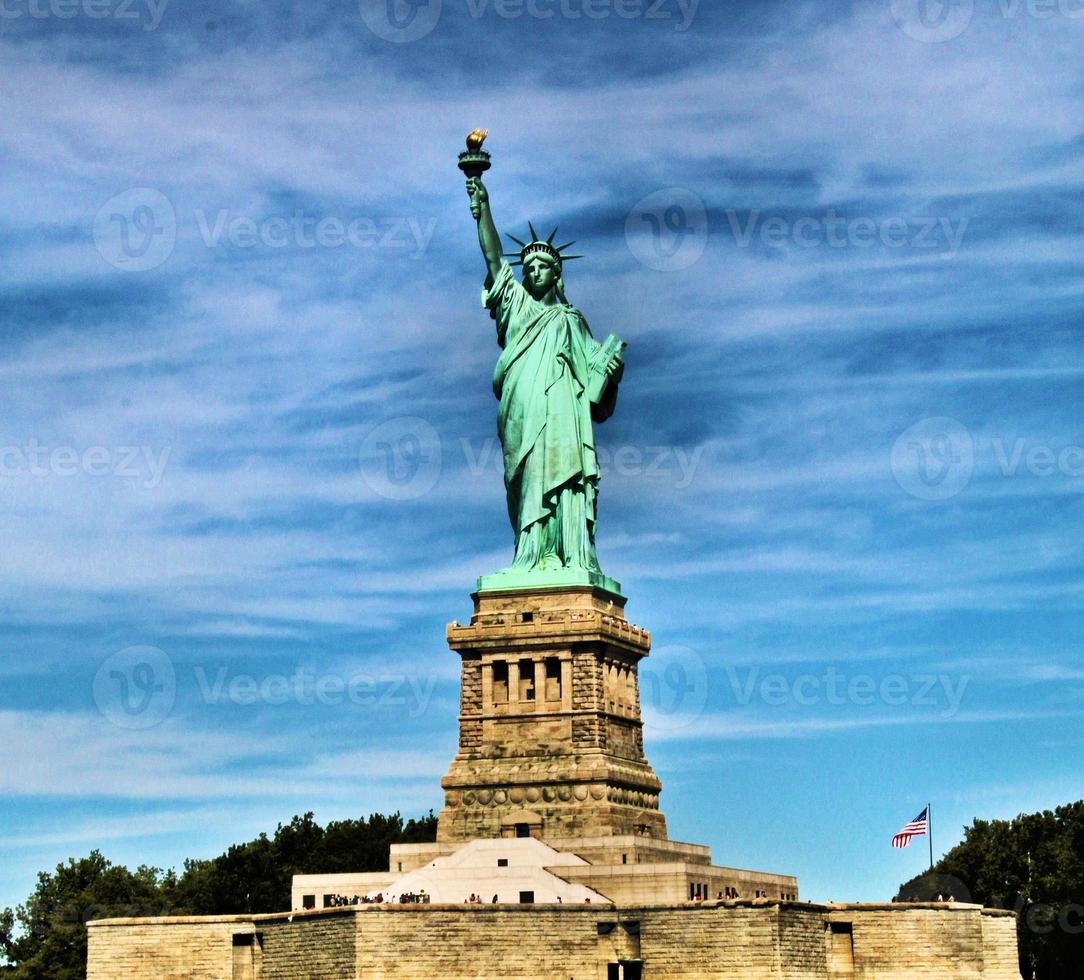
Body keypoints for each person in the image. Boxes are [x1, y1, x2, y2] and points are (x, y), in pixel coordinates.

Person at [466, 176, 624, 577]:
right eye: (529, 267)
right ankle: (530, 554)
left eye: (542, 267)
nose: (534, 272)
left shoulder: (572, 321)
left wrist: (611, 367)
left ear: (557, 274)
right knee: (526, 474)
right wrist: (482, 205)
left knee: (563, 477)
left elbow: (594, 385)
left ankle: (567, 554)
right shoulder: (517, 307)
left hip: (563, 417)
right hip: (523, 406)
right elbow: (494, 259)